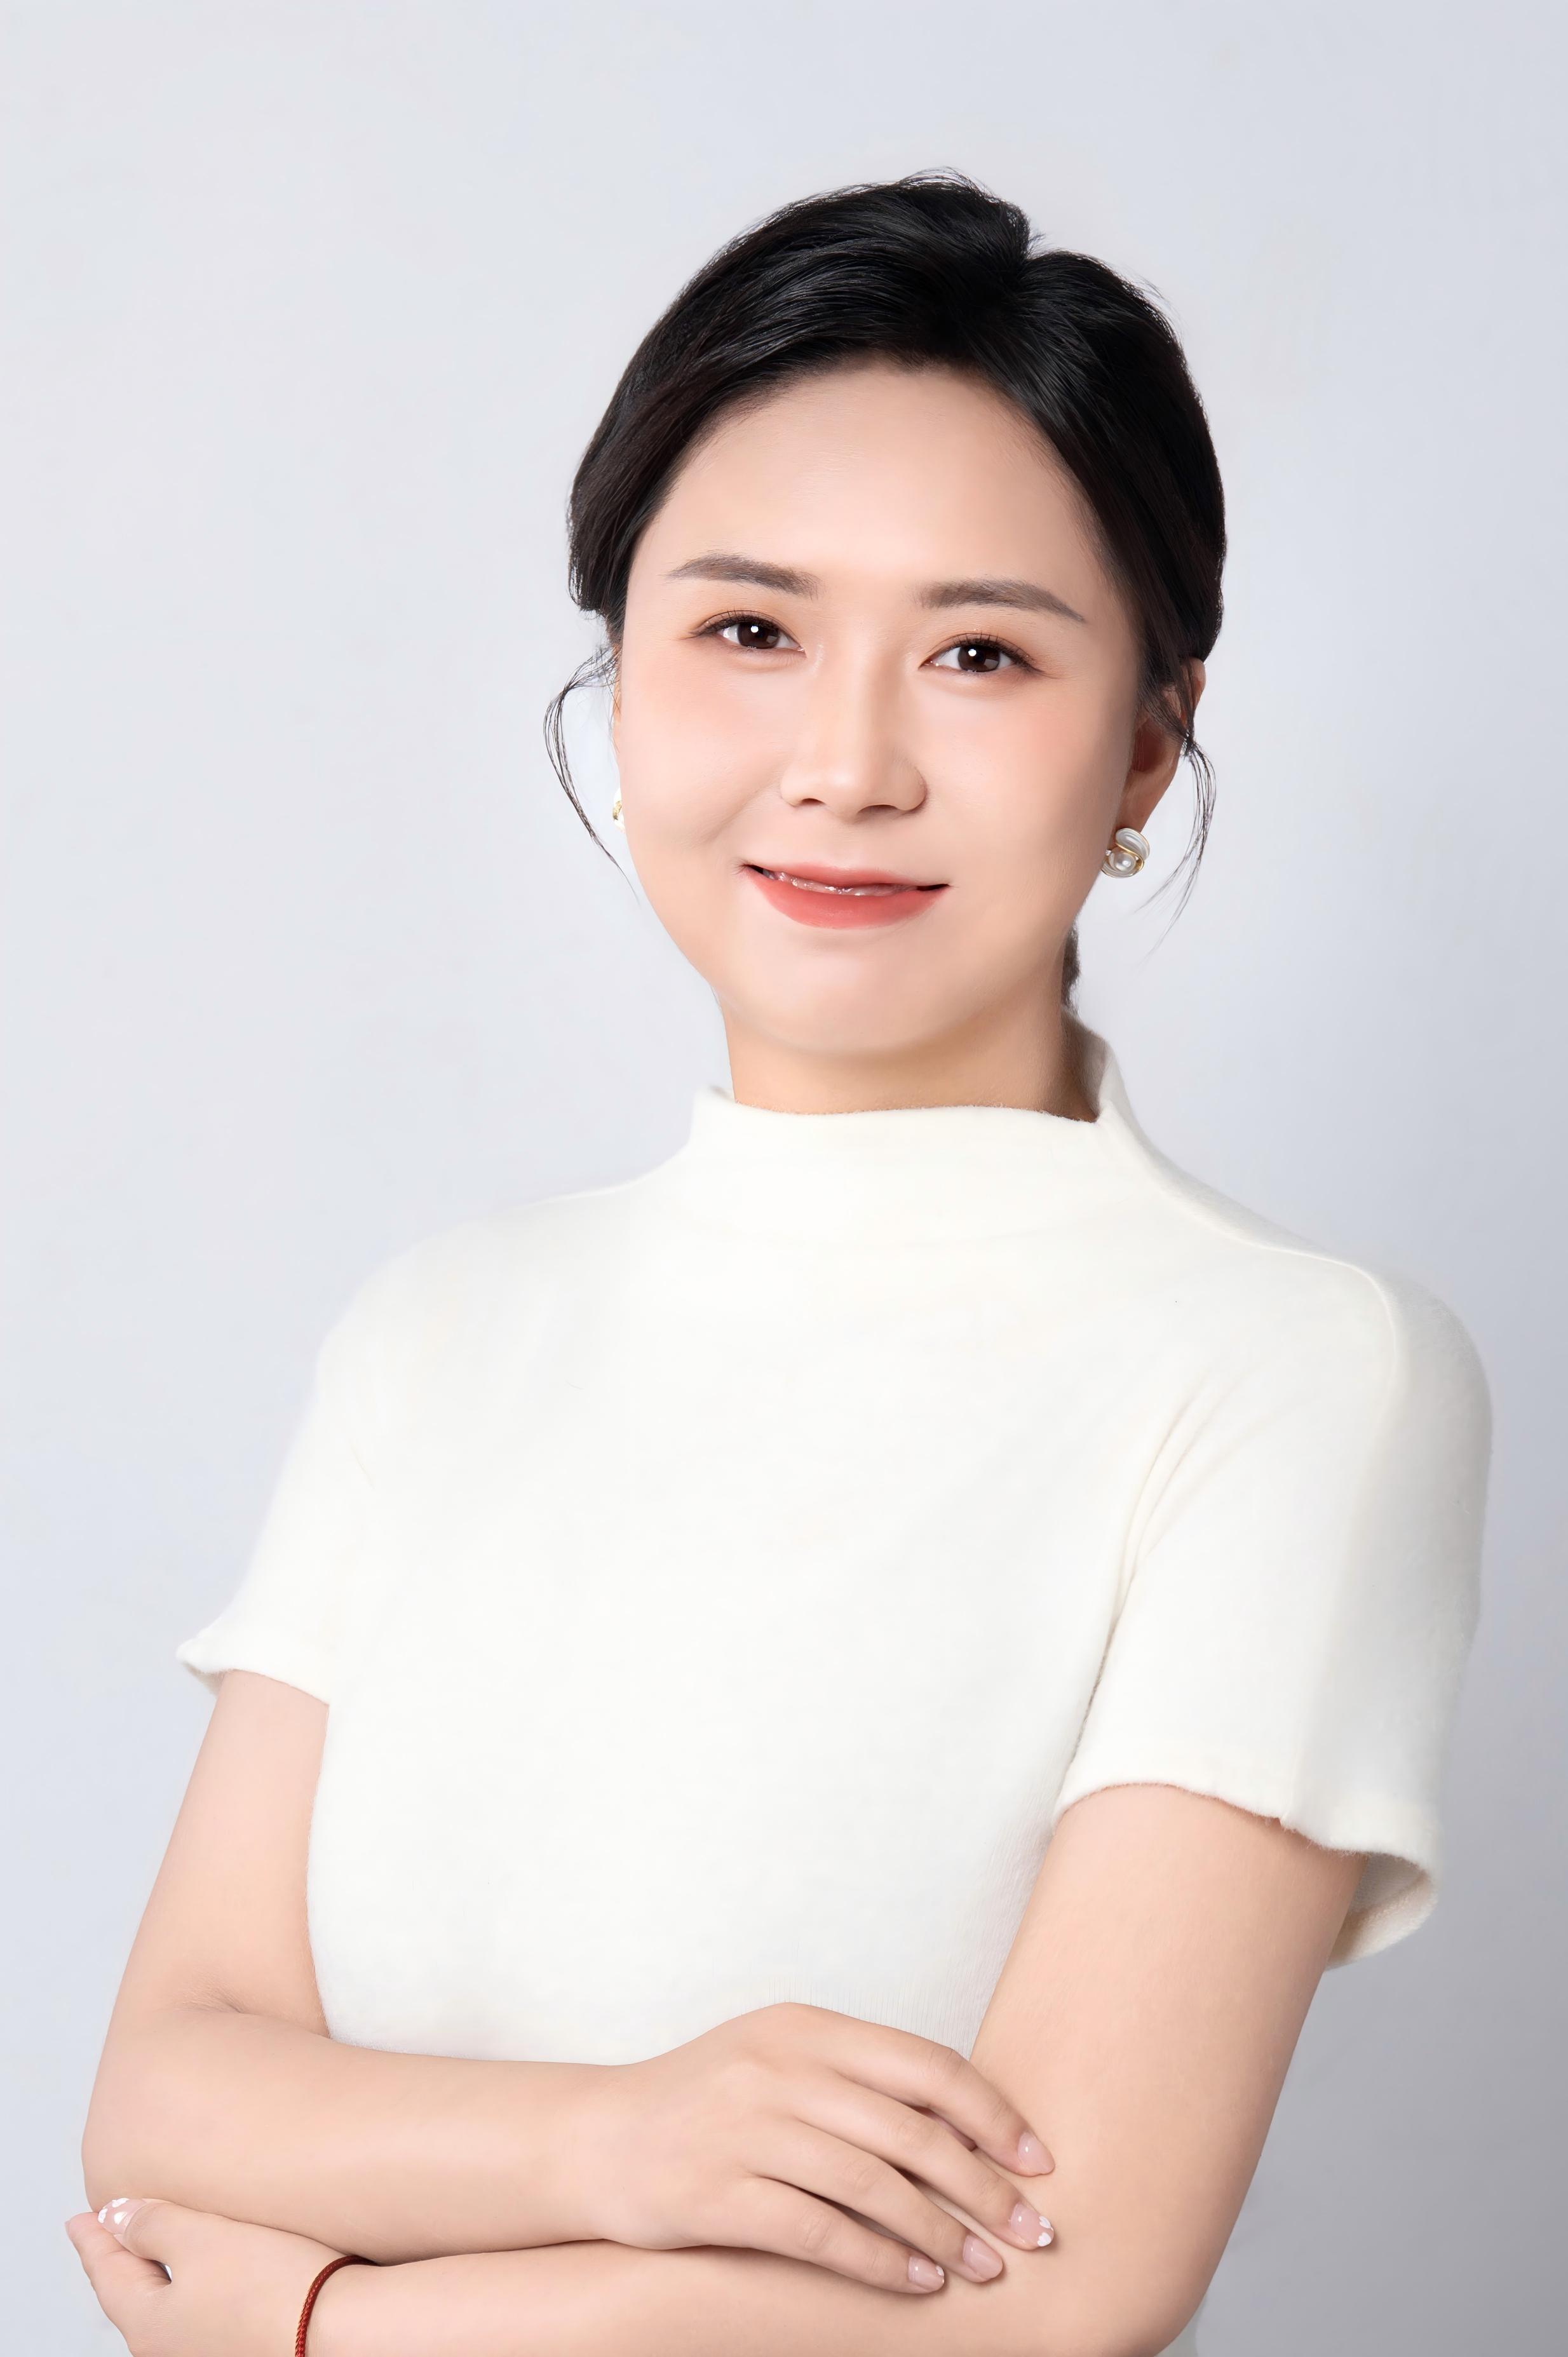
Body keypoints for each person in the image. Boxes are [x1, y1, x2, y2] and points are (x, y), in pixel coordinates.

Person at [67, 172, 1492, 2357]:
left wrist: (327, 2323)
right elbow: (166, 2096)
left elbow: (1052, 2295)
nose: (844, 766)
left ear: (1144, 742)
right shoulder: (440, 1330)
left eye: (980, 654)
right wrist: (615, 2143)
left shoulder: (1297, 1371)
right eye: (748, 631)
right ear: (618, 674)